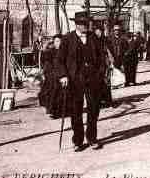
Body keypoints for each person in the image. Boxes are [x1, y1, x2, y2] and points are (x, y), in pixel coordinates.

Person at [57, 11, 103, 152]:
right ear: (76, 24)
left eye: (87, 23)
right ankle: (78, 140)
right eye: (83, 23)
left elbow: (101, 57)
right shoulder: (67, 39)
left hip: (92, 79)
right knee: (76, 110)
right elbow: (59, 60)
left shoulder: (94, 38)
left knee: (93, 109)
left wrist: (101, 73)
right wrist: (63, 75)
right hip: (74, 79)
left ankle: (92, 138)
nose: (86, 26)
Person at [40, 34, 64, 118]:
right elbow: (45, 61)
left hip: (62, 75)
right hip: (51, 75)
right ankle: (52, 110)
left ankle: (59, 110)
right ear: (54, 42)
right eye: (56, 41)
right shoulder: (51, 51)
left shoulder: (65, 51)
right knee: (50, 90)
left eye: (60, 41)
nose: (58, 43)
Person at [93, 25, 114, 108]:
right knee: (97, 84)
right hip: (96, 65)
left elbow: (110, 52)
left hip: (105, 64)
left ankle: (108, 100)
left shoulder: (105, 40)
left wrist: (111, 63)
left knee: (106, 83)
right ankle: (100, 101)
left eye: (100, 31)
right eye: (97, 31)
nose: (98, 33)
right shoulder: (93, 40)